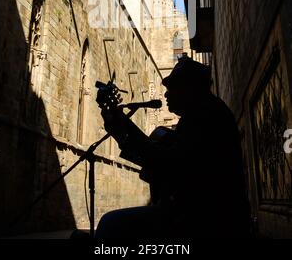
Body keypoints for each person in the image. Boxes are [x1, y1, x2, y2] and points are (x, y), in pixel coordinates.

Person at [95, 56, 251, 240]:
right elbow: (159, 156)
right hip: (197, 215)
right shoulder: (202, 113)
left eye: (172, 88)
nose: (167, 95)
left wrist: (122, 127)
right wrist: (121, 127)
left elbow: (167, 163)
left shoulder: (205, 115)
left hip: (209, 221)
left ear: (190, 88)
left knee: (110, 224)